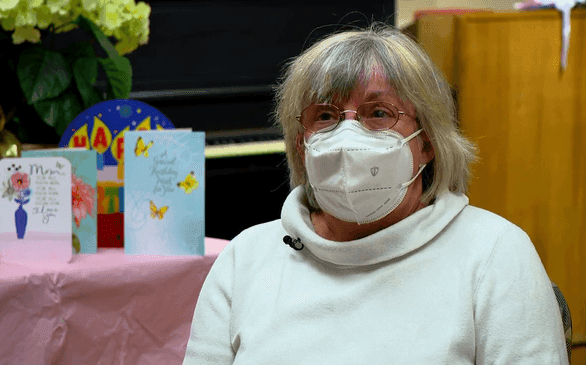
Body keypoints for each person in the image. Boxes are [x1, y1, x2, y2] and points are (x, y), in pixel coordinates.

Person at [183, 23, 568, 364]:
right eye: (326, 116)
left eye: (379, 114)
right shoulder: (246, 258)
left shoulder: (494, 254)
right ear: (301, 143)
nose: (348, 139)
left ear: (428, 143)